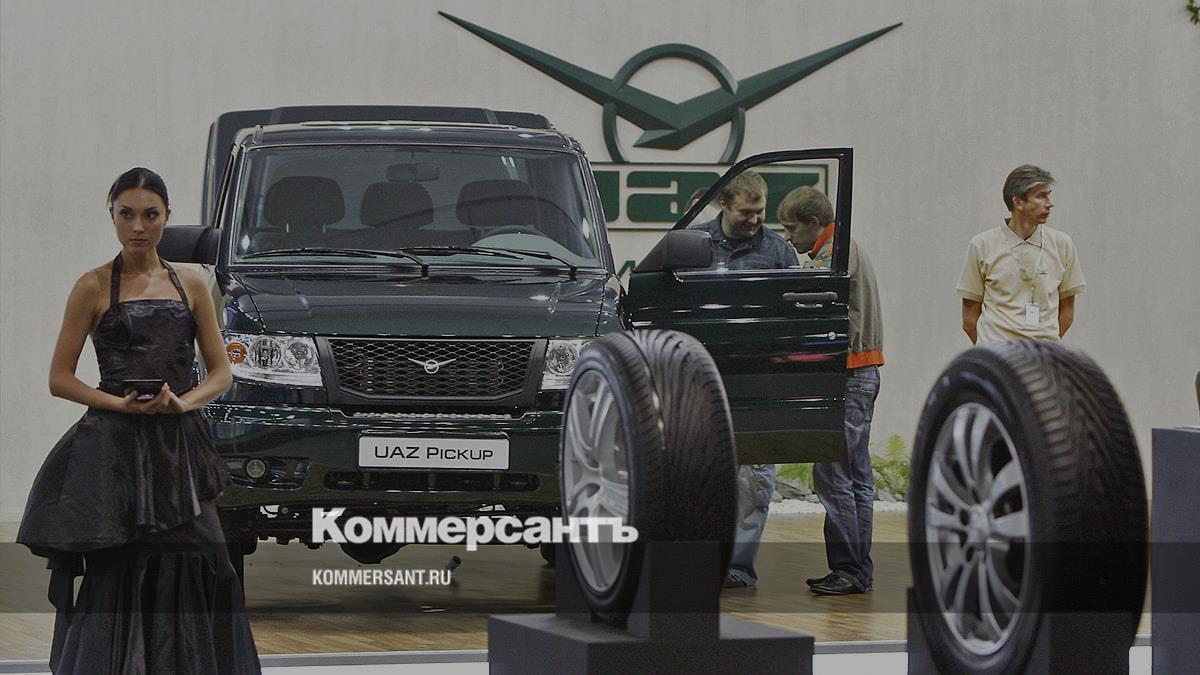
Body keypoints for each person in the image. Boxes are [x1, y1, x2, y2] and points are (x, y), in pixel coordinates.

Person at [17, 168, 261, 673]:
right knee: (119, 567)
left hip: (179, 447)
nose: (138, 226)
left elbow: (221, 373)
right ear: (111, 215)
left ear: (167, 217)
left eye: (150, 215)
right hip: (114, 450)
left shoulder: (191, 284)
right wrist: (119, 404)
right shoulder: (91, 286)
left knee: (207, 561)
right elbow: (60, 379)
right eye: (126, 214)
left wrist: (185, 403)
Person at [687, 170, 796, 588]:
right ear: (724, 206)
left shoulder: (779, 252)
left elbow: (795, 315)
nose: (754, 220)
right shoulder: (692, 243)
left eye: (760, 212)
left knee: (753, 478)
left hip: (757, 380)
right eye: (746, 212)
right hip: (701, 377)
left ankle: (737, 567)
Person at [778, 186, 883, 596]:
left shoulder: (835, 253)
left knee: (833, 474)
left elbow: (815, 300)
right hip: (862, 371)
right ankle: (857, 568)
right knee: (855, 476)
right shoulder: (845, 247)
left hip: (848, 374)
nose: (788, 237)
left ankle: (849, 568)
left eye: (791, 229)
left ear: (813, 223)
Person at [957, 165, 1085, 344]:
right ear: (1018, 202)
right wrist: (991, 351)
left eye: (1048, 195)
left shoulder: (1062, 244)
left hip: (1043, 354)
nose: (1049, 203)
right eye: (1041, 196)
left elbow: (1067, 313)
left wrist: (1042, 347)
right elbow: (969, 319)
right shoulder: (982, 244)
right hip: (996, 353)